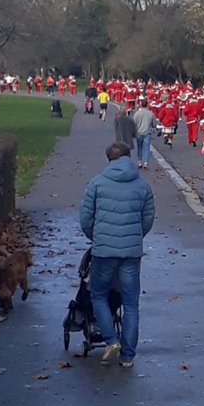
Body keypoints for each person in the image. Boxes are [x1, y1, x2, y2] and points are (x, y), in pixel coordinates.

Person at [78, 143, 156, 368]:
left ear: (108, 159)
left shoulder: (97, 183)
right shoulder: (142, 185)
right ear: (129, 157)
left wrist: (96, 237)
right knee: (130, 303)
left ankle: (111, 339)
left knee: (99, 295)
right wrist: (136, 236)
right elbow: (148, 218)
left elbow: (86, 218)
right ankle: (128, 355)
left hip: (104, 250)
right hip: (131, 251)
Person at [131, 100, 156, 170]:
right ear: (147, 105)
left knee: (139, 147)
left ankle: (139, 161)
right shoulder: (150, 113)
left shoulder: (137, 113)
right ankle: (145, 162)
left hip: (139, 132)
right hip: (147, 132)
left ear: (141, 105)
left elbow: (134, 123)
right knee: (146, 148)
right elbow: (154, 123)